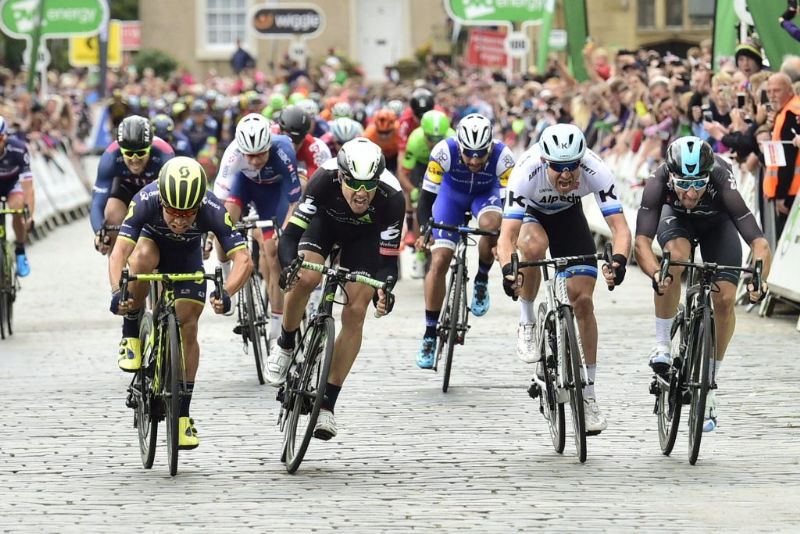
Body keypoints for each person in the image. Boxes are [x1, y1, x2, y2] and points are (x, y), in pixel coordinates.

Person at [109, 157, 252, 448]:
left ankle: (183, 415)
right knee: (140, 258)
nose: (178, 221)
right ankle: (131, 334)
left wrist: (227, 291)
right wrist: (117, 292)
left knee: (188, 327)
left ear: (198, 206)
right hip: (152, 246)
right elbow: (119, 252)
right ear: (162, 200)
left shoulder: (212, 207)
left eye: (187, 214)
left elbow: (243, 258)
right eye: (173, 212)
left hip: (188, 256)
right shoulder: (146, 199)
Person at [496, 123, 631, 435]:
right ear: (545, 163)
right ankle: (528, 321)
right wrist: (507, 270)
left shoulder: (595, 169)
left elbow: (621, 229)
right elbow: (506, 238)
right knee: (532, 246)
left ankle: (589, 396)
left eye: (572, 167)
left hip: (569, 218)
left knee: (582, 301)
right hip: (531, 217)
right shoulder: (525, 173)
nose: (567, 175)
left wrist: (620, 261)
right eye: (558, 168)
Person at [635, 136, 771, 433]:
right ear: (671, 176)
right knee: (676, 259)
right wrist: (656, 274)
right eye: (683, 183)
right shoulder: (657, 181)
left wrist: (759, 279)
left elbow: (760, 242)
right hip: (676, 222)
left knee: (724, 300)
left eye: (698, 183)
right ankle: (661, 346)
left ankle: (709, 384)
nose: (692, 191)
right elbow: (641, 242)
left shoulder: (722, 181)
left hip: (717, 225)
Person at [272, 138, 404, 439]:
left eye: (369, 184)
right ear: (342, 176)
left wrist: (385, 291)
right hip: (324, 225)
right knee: (305, 277)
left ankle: (327, 405)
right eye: (354, 184)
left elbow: (387, 265)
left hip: (365, 240)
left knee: (357, 310)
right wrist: (290, 265)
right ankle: (285, 342)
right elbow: (291, 235)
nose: (361, 193)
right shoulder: (322, 180)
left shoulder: (391, 196)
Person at [414, 113, 515, 369]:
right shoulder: (443, 151)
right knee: (439, 261)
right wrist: (426, 229)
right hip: (451, 197)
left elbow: (509, 204)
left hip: (486, 196)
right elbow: (426, 199)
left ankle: (481, 279)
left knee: (492, 225)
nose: (473, 159)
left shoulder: (504, 157)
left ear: (490, 147)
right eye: (468, 153)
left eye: (480, 154)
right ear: (459, 145)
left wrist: (506, 237)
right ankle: (429, 333)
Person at [220, 114, 302, 340]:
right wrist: (213, 235)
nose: (255, 161)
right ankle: (227, 281)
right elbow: (218, 201)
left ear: (269, 145)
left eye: (261, 154)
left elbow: (295, 200)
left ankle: (276, 323)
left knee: (273, 252)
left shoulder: (283, 149)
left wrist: (284, 232)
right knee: (223, 224)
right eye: (250, 155)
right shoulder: (232, 154)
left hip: (274, 197)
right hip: (244, 187)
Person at [92, 115, 174, 254]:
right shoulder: (110, 156)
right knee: (111, 216)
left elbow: (172, 199)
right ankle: (118, 266)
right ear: (121, 150)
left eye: (141, 153)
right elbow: (97, 203)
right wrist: (99, 232)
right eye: (129, 154)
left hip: (154, 192)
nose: (135, 160)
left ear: (150, 147)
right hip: (125, 187)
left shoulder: (164, 153)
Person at [765, 72, 800, 237]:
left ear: (789, 90)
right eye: (769, 91)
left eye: (776, 91)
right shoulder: (786, 110)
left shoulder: (791, 113)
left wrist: (781, 195)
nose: (772, 96)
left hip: (791, 193)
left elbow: (787, 158)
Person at [0, 116, 34, 276]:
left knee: (17, 208)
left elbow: (28, 187)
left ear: (5, 136)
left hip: (13, 184)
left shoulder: (19, 149)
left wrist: (30, 216)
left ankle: (20, 250)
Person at [276, 105, 332, 184]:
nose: (293, 146)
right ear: (280, 132)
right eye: (288, 140)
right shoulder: (270, 137)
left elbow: (317, 184)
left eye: (297, 140)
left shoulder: (314, 147)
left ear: (305, 136)